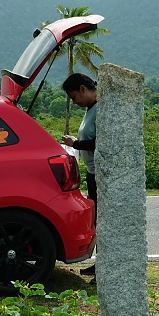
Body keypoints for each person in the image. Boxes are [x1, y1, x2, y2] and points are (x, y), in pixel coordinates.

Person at [60, 73, 98, 280]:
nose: (75, 102)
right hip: (92, 172)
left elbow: (100, 142)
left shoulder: (100, 109)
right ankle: (99, 263)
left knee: (101, 222)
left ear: (83, 89)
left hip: (99, 174)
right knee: (97, 221)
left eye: (74, 97)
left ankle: (103, 266)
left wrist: (75, 144)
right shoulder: (90, 109)